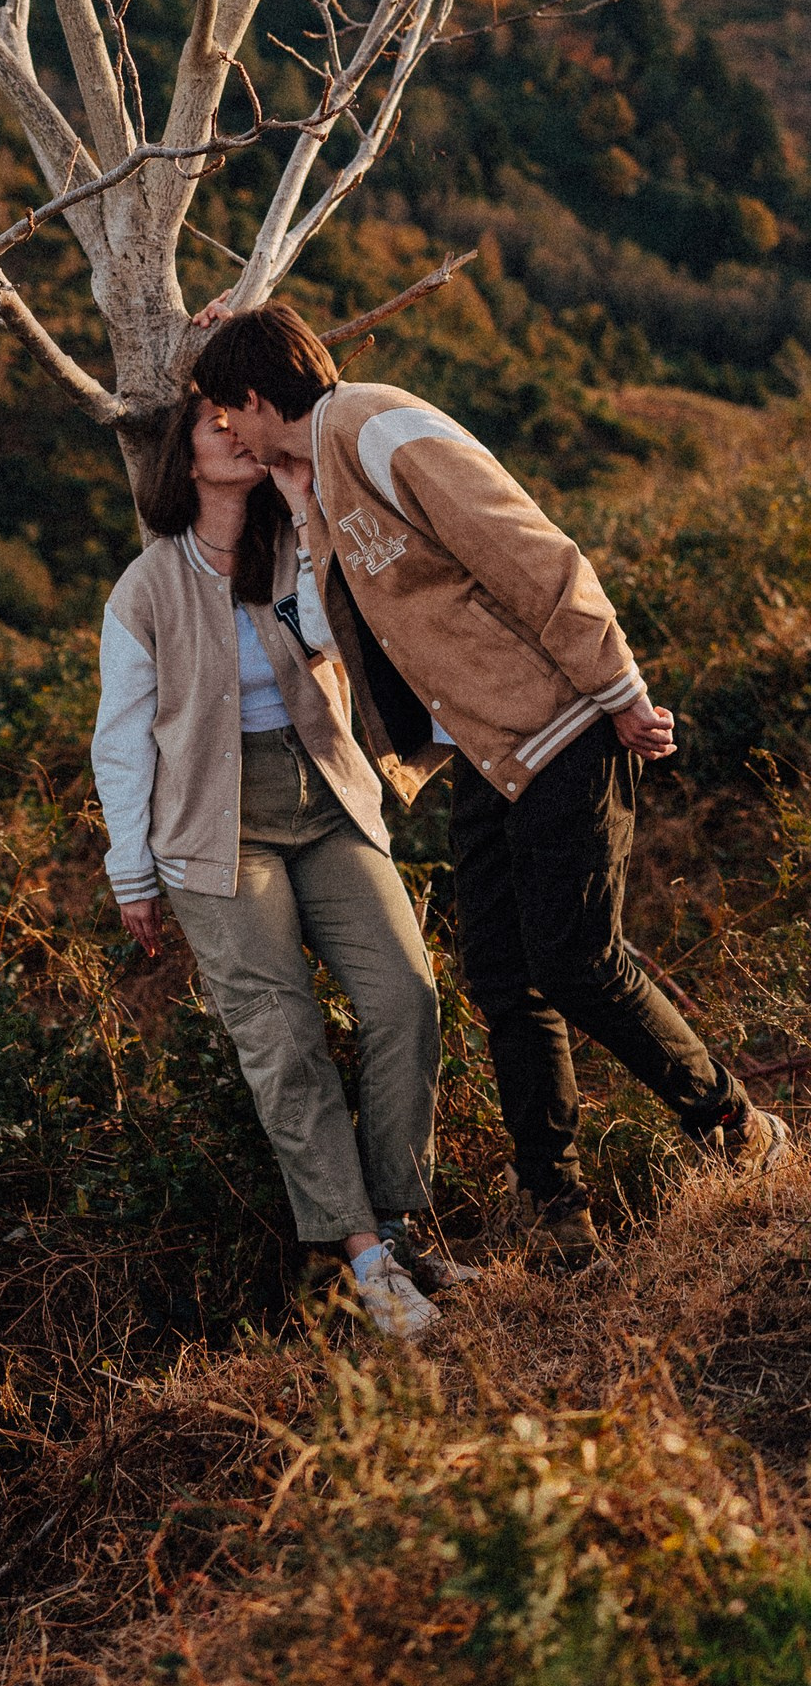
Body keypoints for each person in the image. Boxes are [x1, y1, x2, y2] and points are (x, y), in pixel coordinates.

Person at [189, 300, 792, 1268]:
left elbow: (529, 549)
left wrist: (617, 687)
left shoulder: (377, 424)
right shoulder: (322, 466)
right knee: (503, 983)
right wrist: (290, 486)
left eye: (227, 412)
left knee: (575, 962)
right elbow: (320, 616)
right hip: (483, 751)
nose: (226, 433)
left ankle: (736, 1129)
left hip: (558, 727)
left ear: (257, 397)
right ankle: (557, 1210)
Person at [92, 386, 457, 1338]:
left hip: (330, 799)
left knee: (403, 998)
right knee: (283, 1039)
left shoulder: (300, 546)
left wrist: (301, 499)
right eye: (217, 425)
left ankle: (398, 1219)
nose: (237, 432)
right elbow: (122, 740)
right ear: (186, 456)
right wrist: (131, 872)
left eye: (243, 418)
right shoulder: (146, 587)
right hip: (216, 830)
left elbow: (349, 634)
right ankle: (364, 1259)